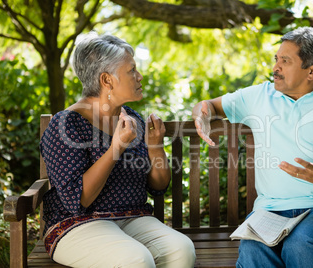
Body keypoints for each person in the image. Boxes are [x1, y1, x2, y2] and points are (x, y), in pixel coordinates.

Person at [192, 26, 313, 268]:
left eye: (285, 61)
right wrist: (202, 116)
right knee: (253, 251)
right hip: (269, 210)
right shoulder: (259, 96)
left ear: (312, 70)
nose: (275, 68)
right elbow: (208, 105)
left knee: (301, 246)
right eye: (276, 59)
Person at [40, 32, 196, 268]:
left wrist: (155, 147)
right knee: (136, 260)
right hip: (77, 224)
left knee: (182, 251)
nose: (140, 76)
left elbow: (159, 186)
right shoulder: (65, 125)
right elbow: (78, 200)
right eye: (131, 70)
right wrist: (116, 148)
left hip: (133, 218)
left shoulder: (132, 119)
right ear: (107, 80)